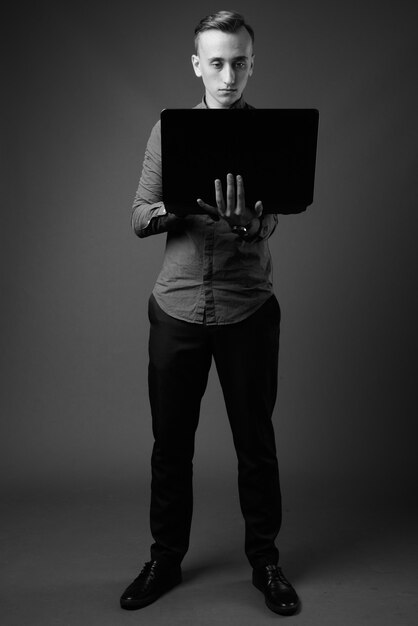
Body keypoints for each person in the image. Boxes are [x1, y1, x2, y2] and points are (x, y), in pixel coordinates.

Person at [120, 10, 301, 617]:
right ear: (197, 64)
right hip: (176, 311)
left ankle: (266, 562)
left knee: (257, 444)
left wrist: (250, 223)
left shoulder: (270, 133)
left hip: (248, 308)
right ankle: (164, 558)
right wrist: (176, 208)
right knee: (171, 445)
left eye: (240, 62)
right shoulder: (166, 131)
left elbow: (272, 215)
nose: (228, 76)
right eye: (216, 62)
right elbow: (140, 215)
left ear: (253, 63)